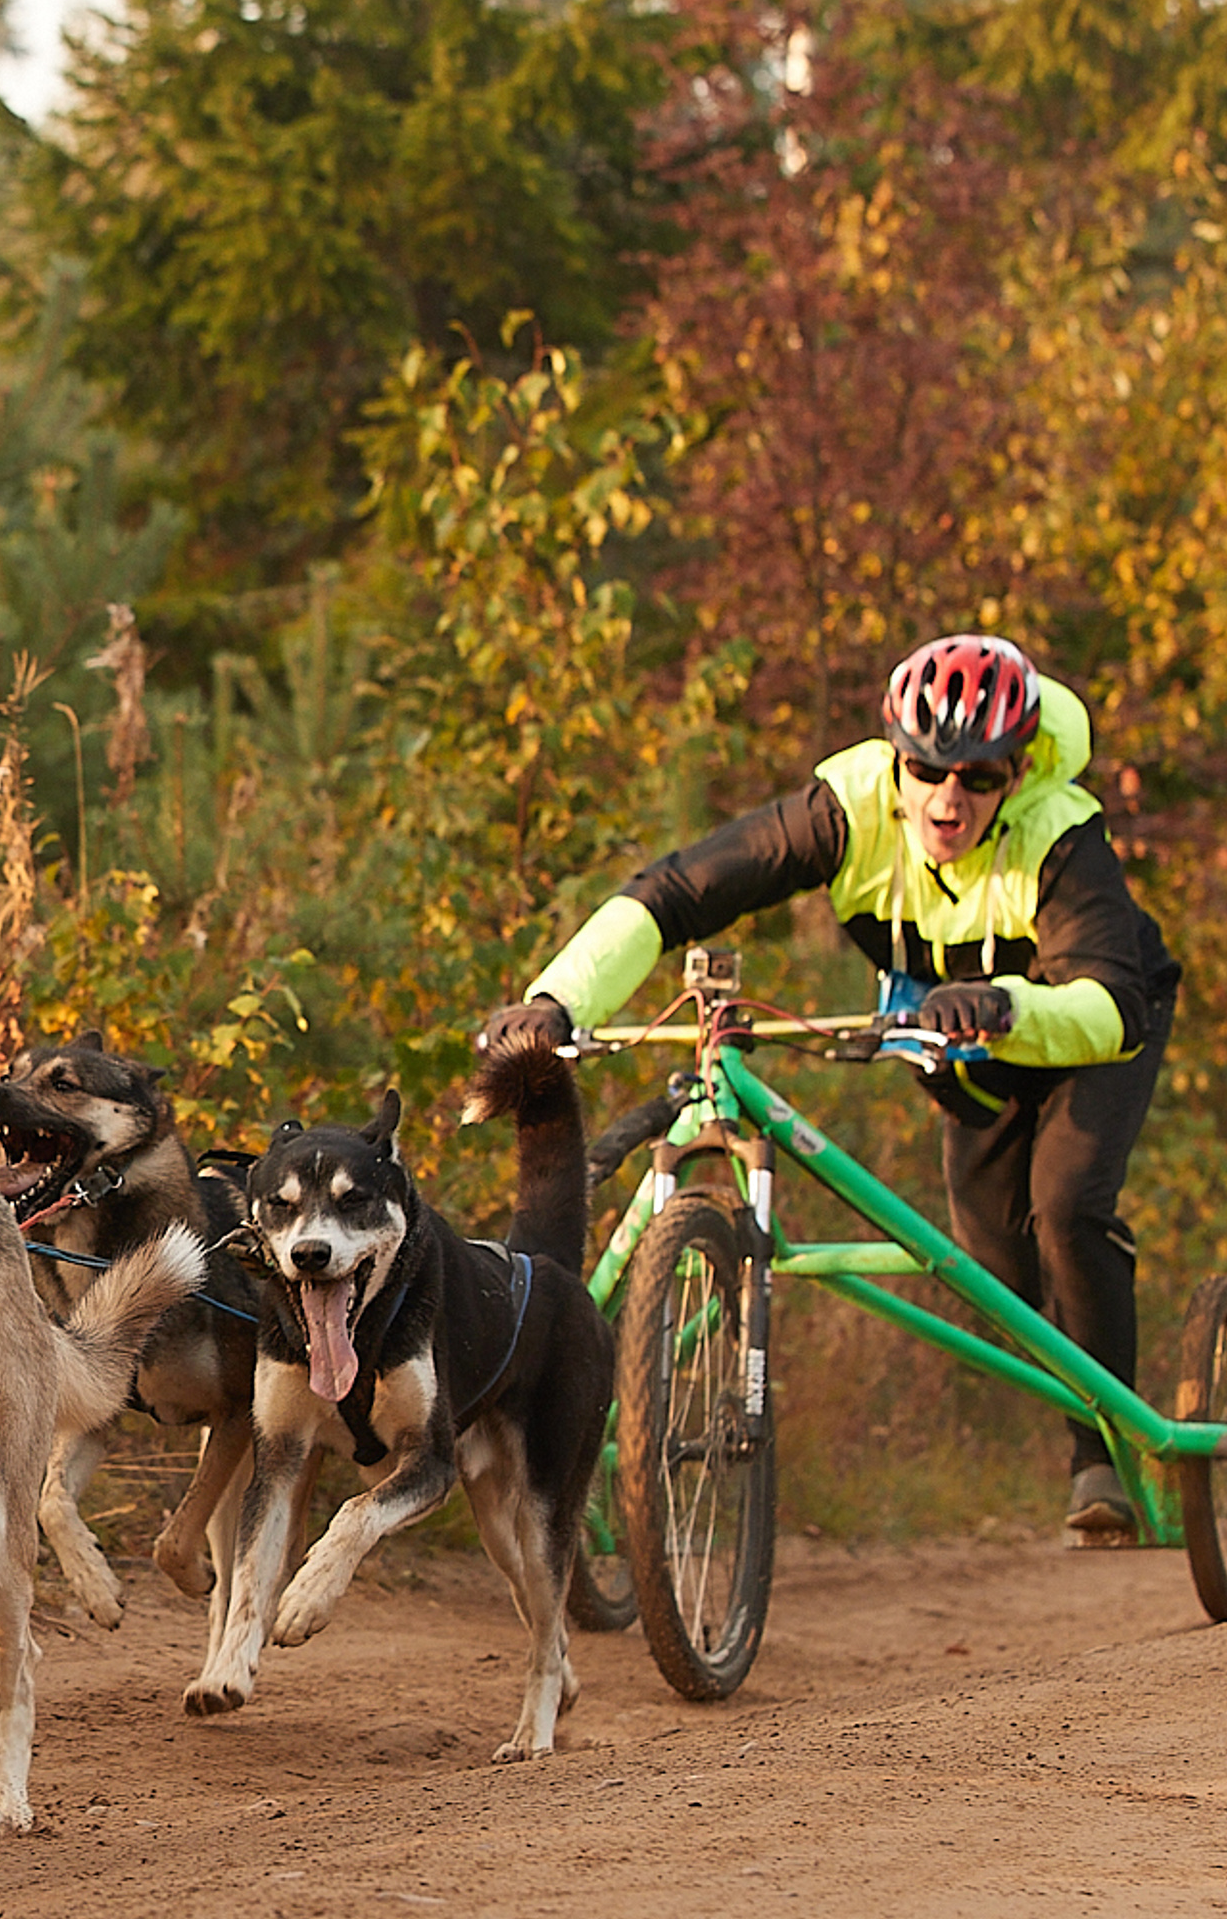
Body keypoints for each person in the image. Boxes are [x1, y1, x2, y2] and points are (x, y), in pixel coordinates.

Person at [484, 633, 1179, 1544]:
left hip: (1090, 1026)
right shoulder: (846, 808)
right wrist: (555, 997)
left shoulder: (1060, 830)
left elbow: (1112, 1004)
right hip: (960, 1043)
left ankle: (1103, 1453)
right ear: (898, 758)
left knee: (1064, 1212)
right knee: (994, 1263)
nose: (948, 798)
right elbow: (672, 894)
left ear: (1018, 768)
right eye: (927, 769)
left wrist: (1005, 1003)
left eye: (978, 777)